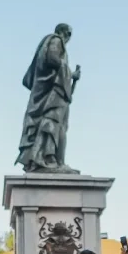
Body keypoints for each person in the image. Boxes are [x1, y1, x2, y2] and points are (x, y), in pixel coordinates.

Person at [15, 23, 81, 173]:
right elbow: (52, 59)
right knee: (54, 124)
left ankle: (49, 158)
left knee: (57, 125)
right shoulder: (56, 40)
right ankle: (51, 159)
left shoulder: (50, 42)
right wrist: (71, 74)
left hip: (52, 92)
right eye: (69, 34)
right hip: (53, 94)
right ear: (65, 33)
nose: (69, 39)